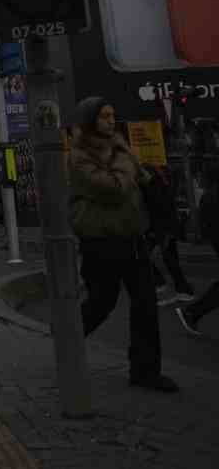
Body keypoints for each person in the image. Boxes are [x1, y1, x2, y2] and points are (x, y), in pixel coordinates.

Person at [69, 97, 177, 392]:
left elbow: (142, 179)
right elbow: (113, 188)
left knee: (146, 305)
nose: (110, 121)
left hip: (132, 238)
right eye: (103, 116)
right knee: (101, 302)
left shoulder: (120, 147)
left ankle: (145, 371)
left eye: (112, 115)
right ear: (90, 120)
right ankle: (67, 341)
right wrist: (127, 162)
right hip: (101, 242)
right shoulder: (79, 155)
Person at [175, 166, 219, 335]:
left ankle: (192, 312)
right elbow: (208, 229)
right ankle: (192, 312)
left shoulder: (209, 197)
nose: (199, 180)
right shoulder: (210, 198)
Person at [142, 167, 194, 304]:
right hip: (162, 228)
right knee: (168, 260)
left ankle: (178, 289)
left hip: (162, 229)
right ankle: (173, 287)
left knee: (168, 260)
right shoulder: (159, 182)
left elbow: (160, 207)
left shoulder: (153, 185)